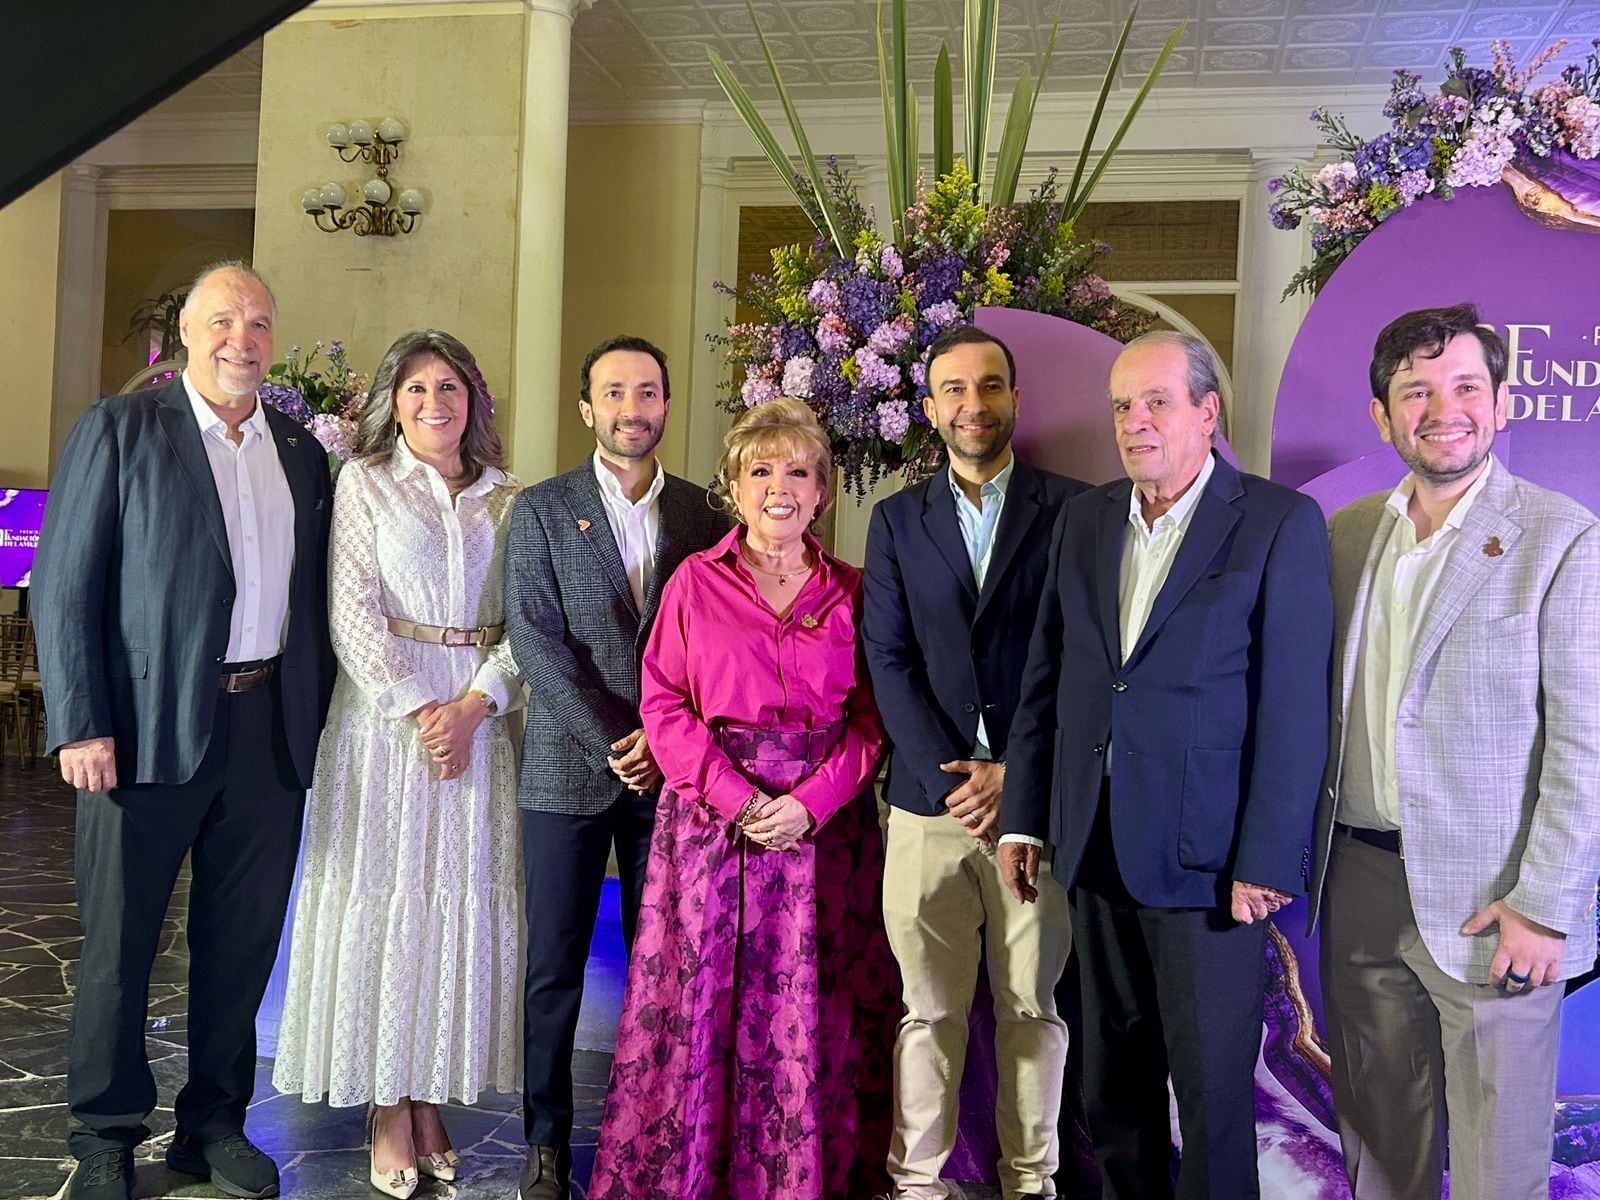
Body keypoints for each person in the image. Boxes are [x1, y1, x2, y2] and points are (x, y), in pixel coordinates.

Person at [998, 330, 1333, 1200]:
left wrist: (1266, 856)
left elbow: (1293, 709)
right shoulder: (1087, 518)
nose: (1135, 423)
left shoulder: (1275, 522)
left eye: (1155, 402)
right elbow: (1051, 681)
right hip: (1095, 848)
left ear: (1207, 410)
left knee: (1214, 1099)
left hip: (1211, 866)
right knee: (1113, 1090)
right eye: (1121, 406)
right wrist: (1027, 817)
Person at [32, 261, 334, 1200]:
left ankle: (212, 1125)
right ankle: (105, 1135)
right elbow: (63, 583)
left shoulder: (299, 451)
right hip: (141, 730)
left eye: (258, 323)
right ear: (185, 333)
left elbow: (313, 602)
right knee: (121, 945)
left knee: (241, 947)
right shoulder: (121, 429)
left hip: (267, 732)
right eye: (223, 321)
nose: (241, 339)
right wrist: (79, 722)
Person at [1307, 303, 1600, 1200]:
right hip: (1357, 885)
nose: (1445, 408)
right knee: (1380, 1145)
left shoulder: (1564, 537)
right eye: (1416, 391)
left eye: (1466, 386)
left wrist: (1545, 906)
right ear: (1383, 415)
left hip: (1495, 903)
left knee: (1496, 1164)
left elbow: (1587, 744)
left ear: (1502, 403)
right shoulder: (1346, 536)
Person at [587, 397, 899, 1200]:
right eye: (762, 470)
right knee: (703, 1010)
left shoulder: (856, 593)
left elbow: (871, 720)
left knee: (819, 1013)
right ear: (734, 484)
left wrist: (811, 804)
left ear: (823, 491)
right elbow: (662, 706)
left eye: (798, 471)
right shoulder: (695, 583)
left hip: (825, 838)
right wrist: (736, 798)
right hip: (710, 833)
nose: (780, 487)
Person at [270, 330, 524, 1197]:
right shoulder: (366, 486)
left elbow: (529, 622)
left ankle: (428, 1096)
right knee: (389, 903)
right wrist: (425, 710)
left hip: (482, 724)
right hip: (387, 729)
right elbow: (352, 615)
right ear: (392, 399)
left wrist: (476, 705)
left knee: (455, 902)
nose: (433, 404)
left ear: (473, 399)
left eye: (448, 386)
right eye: (415, 388)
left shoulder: (509, 498)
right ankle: (386, 1102)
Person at [862, 326, 1085, 1200]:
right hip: (928, 807)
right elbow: (887, 660)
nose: (973, 405)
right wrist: (960, 780)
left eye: (989, 387)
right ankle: (917, 1182)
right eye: (953, 390)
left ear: (1015, 400)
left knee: (1034, 1006)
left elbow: (1077, 658)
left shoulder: (1074, 511)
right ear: (929, 407)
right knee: (928, 1011)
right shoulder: (894, 520)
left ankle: (1032, 1181)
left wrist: (1016, 779)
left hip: (1036, 808)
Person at [505, 335, 728, 1200]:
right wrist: (614, 737)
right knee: (555, 966)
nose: (632, 409)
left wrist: (665, 744)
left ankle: (656, 1130)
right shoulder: (544, 509)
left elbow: (718, 642)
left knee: (659, 959)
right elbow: (534, 637)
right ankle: (545, 1143)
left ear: (667, 404)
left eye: (648, 392)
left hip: (673, 778)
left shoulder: (708, 514)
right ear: (586, 408)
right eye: (614, 393)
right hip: (567, 769)